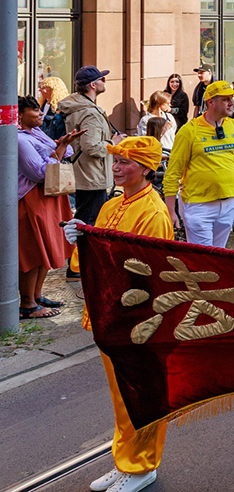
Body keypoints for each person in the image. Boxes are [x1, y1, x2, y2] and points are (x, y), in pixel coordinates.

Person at [62, 137, 173, 492]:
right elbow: (96, 253)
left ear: (146, 168)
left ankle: (142, 467)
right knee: (122, 398)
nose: (117, 167)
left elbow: (149, 271)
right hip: (109, 314)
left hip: (136, 320)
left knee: (141, 396)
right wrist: (80, 239)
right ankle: (125, 461)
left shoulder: (154, 213)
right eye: (117, 161)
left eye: (125, 162)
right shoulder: (112, 204)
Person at [163, 80, 234, 248]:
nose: (231, 103)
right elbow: (173, 173)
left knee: (218, 253)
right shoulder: (189, 131)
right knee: (204, 257)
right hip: (199, 206)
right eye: (225, 99)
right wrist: (170, 212)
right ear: (211, 102)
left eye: (232, 99)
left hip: (229, 203)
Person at [17, 96, 83, 319]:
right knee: (33, 251)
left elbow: (67, 153)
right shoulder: (19, 139)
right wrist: (59, 148)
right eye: (34, 111)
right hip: (30, 199)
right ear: (19, 115)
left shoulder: (36, 132)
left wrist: (62, 145)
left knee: (44, 247)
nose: (40, 114)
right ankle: (27, 304)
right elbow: (38, 172)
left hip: (47, 197)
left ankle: (36, 296)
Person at [60, 65, 115, 226]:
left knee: (85, 220)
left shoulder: (78, 107)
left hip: (84, 174)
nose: (104, 82)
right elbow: (91, 146)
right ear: (93, 85)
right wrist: (113, 143)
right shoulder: (89, 113)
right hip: (92, 176)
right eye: (102, 79)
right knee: (89, 223)